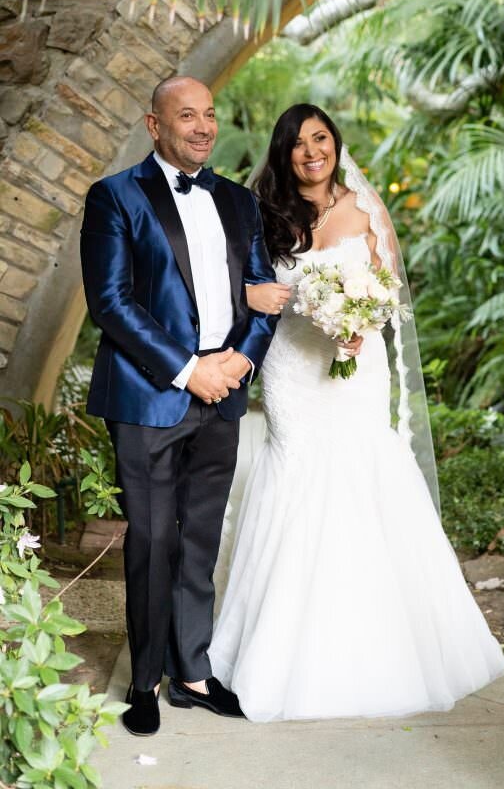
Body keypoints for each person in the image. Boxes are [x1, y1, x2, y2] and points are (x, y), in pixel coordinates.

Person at [208, 103, 504, 721]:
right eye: (297, 142)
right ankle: (272, 649)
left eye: (320, 138)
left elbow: (388, 292)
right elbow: (241, 286)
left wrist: (359, 327)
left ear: (336, 145)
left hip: (353, 370)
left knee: (359, 479)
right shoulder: (265, 213)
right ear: (284, 152)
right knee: (295, 476)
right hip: (292, 368)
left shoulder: (365, 208)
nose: (311, 151)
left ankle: (366, 650)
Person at [80, 76, 278, 736]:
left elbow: (262, 292)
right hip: (148, 397)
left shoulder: (241, 202)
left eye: (210, 115)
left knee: (199, 539)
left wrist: (240, 360)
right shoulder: (115, 197)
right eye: (186, 115)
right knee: (153, 540)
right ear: (153, 124)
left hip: (223, 395)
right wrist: (189, 370)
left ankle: (192, 674)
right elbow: (111, 301)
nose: (202, 127)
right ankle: (144, 680)